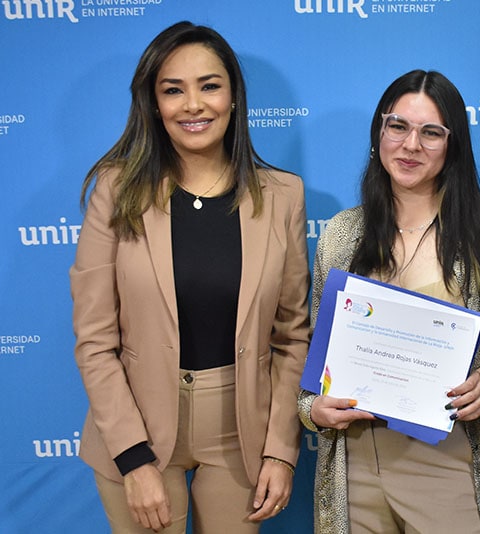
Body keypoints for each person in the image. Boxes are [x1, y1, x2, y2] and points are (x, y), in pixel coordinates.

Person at [70, 21, 310, 532]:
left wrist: (282, 449)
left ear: (234, 97)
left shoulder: (284, 195)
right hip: (136, 429)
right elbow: (94, 340)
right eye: (173, 90)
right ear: (154, 104)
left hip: (241, 433)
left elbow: (292, 338)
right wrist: (133, 460)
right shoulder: (115, 191)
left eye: (209, 85)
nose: (193, 105)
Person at [297, 69, 480, 534]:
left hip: (449, 458)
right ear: (378, 132)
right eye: (398, 126)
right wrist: (311, 410)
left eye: (431, 133)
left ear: (453, 146)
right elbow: (315, 356)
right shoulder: (342, 235)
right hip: (356, 464)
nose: (411, 146)